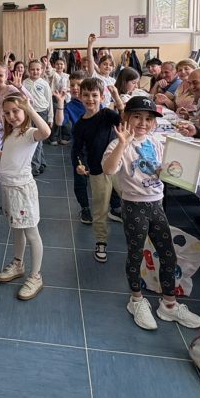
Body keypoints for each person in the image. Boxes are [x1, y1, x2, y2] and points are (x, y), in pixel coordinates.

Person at [102, 97, 200, 331]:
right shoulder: (118, 144)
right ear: (126, 117)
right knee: (135, 254)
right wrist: (122, 144)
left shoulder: (155, 141)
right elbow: (108, 169)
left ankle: (169, 304)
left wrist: (170, 170)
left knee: (168, 254)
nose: (143, 123)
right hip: (134, 205)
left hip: (156, 204)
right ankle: (136, 300)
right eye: (137, 117)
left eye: (148, 119)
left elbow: (161, 169)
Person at [0, 93, 51, 300]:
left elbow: (46, 132)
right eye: (7, 113)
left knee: (31, 232)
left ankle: (36, 276)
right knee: (17, 228)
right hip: (9, 188)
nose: (11, 116)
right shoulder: (11, 133)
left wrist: (30, 108)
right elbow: (7, 156)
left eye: (16, 111)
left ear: (24, 111)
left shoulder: (30, 133)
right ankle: (18, 263)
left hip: (22, 190)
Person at [73, 77, 124, 264]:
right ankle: (101, 241)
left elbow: (124, 119)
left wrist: (117, 98)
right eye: (86, 95)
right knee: (100, 208)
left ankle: (140, 235)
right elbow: (77, 150)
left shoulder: (107, 114)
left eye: (94, 95)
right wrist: (79, 164)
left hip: (118, 167)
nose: (90, 99)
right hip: (97, 170)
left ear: (102, 97)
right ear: (80, 96)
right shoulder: (80, 125)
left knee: (131, 199)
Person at [59, 72, 91, 222]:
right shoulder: (70, 106)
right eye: (72, 85)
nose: (75, 88)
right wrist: (60, 103)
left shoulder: (94, 102)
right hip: (79, 149)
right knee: (80, 180)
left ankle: (113, 206)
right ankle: (85, 208)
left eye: (79, 84)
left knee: (100, 178)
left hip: (96, 148)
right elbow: (60, 122)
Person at [22, 58, 51, 176]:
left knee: (38, 140)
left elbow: (49, 101)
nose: (35, 72)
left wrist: (50, 117)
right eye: (32, 69)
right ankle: (41, 163)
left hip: (42, 113)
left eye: (38, 69)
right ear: (28, 70)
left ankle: (34, 167)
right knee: (33, 139)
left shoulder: (44, 83)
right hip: (29, 113)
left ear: (42, 70)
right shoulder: (24, 83)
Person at [85, 33, 117, 104]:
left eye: (110, 65)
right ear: (99, 65)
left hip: (108, 107)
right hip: (97, 106)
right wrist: (90, 44)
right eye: (105, 64)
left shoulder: (113, 81)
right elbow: (90, 59)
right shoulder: (95, 76)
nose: (107, 66)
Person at [46, 56, 70, 145]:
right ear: (54, 65)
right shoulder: (52, 74)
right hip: (54, 98)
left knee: (66, 118)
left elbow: (70, 87)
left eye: (61, 64)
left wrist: (66, 90)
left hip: (64, 98)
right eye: (57, 64)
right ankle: (53, 137)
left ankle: (65, 136)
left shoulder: (67, 76)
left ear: (64, 66)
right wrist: (49, 57)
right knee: (54, 118)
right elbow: (48, 70)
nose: (59, 66)